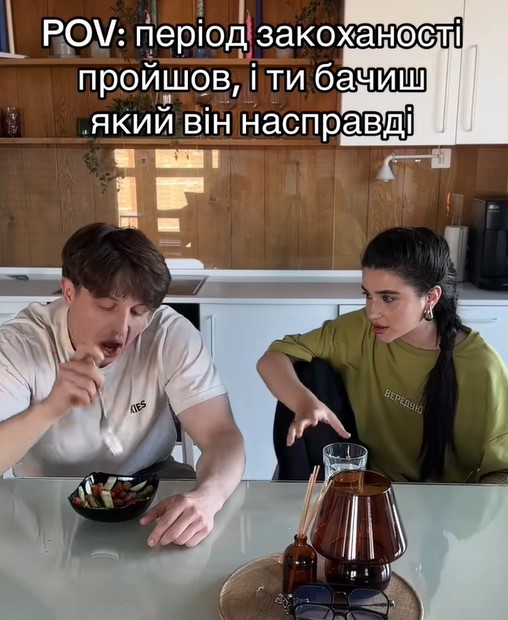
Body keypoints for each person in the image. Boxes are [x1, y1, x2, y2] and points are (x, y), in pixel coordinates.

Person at [0, 223, 245, 547]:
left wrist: (208, 497)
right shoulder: (20, 345)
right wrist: (48, 410)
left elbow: (221, 435)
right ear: (69, 292)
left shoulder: (168, 334)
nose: (122, 328)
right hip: (48, 497)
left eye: (138, 311)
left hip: (153, 485)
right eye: (106, 307)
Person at [257, 226, 508, 484]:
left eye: (388, 298)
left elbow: (504, 474)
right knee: (306, 373)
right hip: (366, 489)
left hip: (443, 503)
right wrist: (304, 403)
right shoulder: (358, 330)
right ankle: (297, 503)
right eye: (368, 295)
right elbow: (274, 358)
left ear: (431, 298)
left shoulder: (482, 368)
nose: (372, 312)